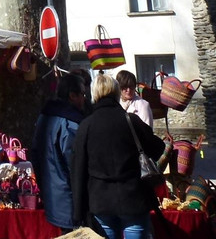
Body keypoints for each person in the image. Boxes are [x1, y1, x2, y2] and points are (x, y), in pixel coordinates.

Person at [71, 73, 166, 239]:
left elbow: (78, 171)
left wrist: (78, 212)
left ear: (94, 95)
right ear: (116, 92)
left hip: (101, 202)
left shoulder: (86, 126)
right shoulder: (131, 121)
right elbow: (158, 148)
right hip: (133, 198)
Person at [31, 73, 87, 233]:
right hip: (68, 199)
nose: (84, 99)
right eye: (82, 94)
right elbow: (75, 165)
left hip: (52, 194)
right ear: (72, 95)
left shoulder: (45, 116)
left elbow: (35, 155)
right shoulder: (70, 122)